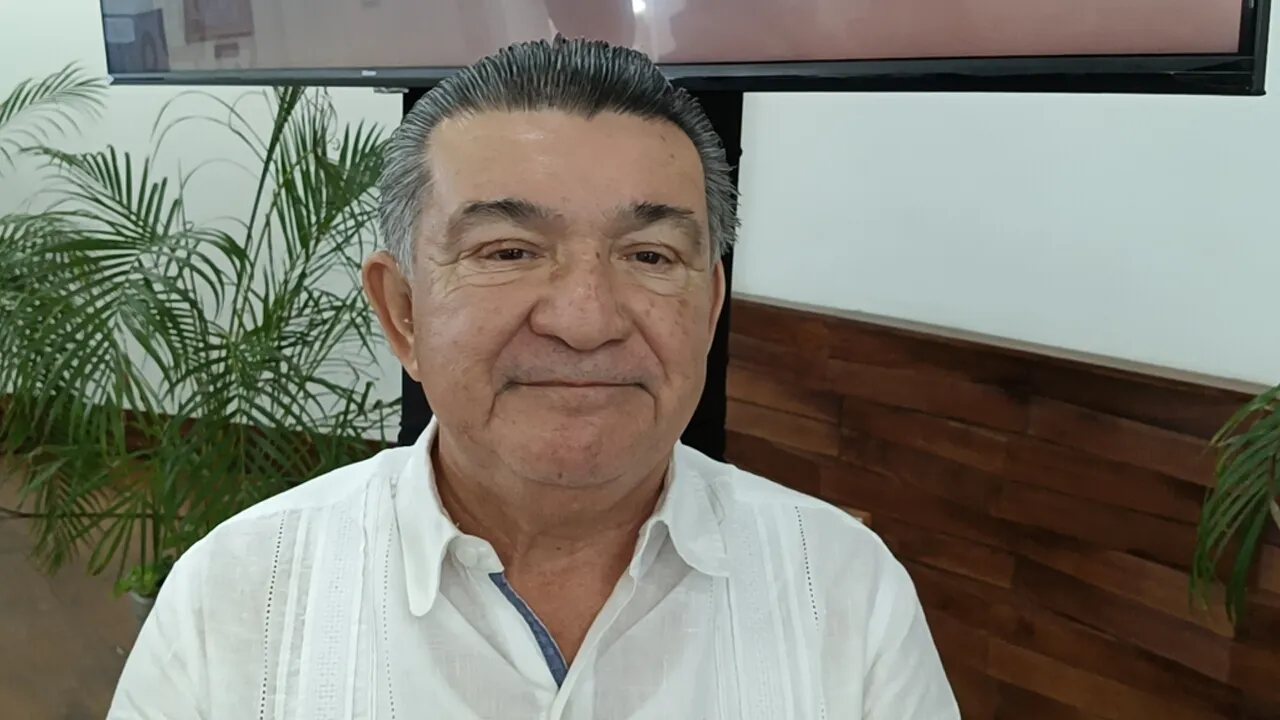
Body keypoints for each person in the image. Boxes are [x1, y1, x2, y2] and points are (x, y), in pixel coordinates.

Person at [108, 37, 959, 719]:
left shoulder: (842, 590)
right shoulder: (239, 594)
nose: (585, 320)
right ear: (403, 311)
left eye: (650, 255)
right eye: (509, 251)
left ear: (708, 311)